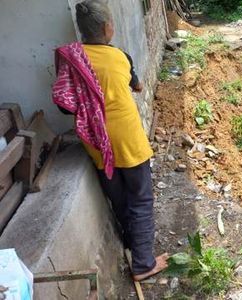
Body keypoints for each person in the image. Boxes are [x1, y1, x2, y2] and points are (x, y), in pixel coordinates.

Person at [52, 0, 167, 281]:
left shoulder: (72, 61)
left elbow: (65, 106)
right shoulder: (120, 57)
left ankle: (131, 244)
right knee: (141, 198)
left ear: (82, 30)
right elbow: (136, 86)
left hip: (96, 141)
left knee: (119, 197)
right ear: (107, 28)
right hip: (127, 138)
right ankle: (143, 264)